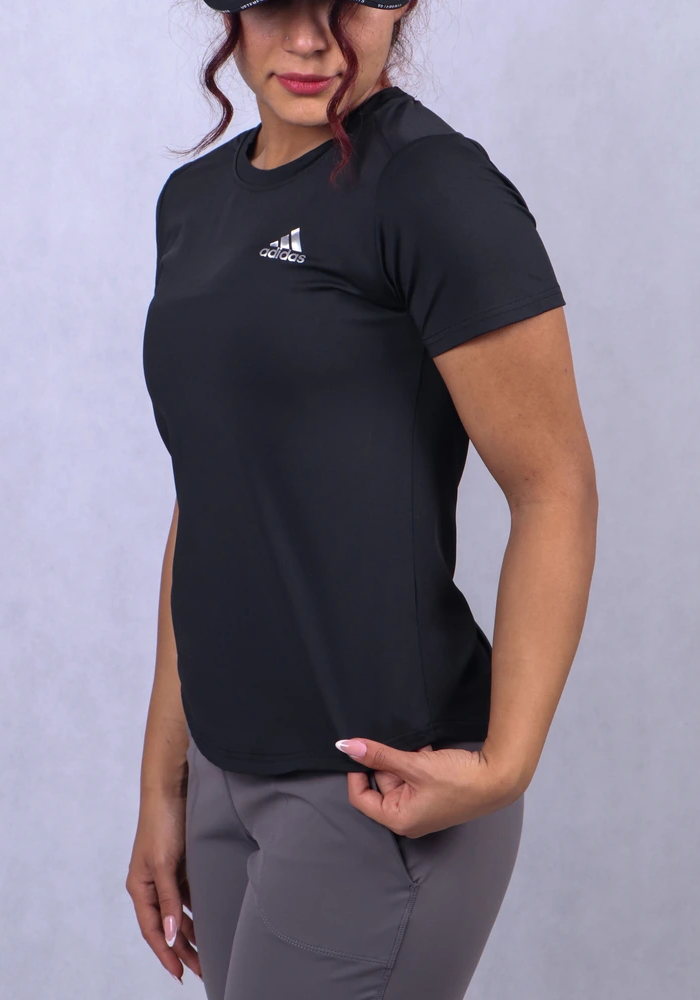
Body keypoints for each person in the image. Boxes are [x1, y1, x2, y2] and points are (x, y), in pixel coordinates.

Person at [127, 0, 598, 997]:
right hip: (224, 772)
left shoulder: (431, 186)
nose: (312, 41)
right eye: (276, 5)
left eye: (348, 4)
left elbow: (552, 484)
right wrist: (163, 781)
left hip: (378, 782)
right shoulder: (191, 202)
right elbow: (209, 493)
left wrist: (506, 764)